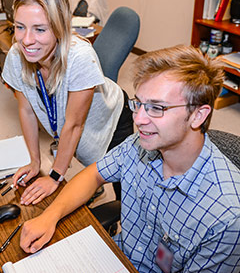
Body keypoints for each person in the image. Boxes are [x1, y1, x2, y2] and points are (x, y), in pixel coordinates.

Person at [19, 45, 240, 272]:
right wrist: (50, 216)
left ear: (197, 115)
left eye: (156, 108)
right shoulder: (141, 144)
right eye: (139, 103)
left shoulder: (226, 217)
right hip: (117, 255)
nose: (139, 119)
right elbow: (94, 174)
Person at [1, 0, 133, 206]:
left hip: (113, 118)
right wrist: (35, 162)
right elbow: (26, 110)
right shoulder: (16, 55)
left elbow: (74, 125)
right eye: (20, 26)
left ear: (59, 27)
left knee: (126, 189)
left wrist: (55, 176)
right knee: (87, 171)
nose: (27, 40)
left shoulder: (79, 57)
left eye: (40, 29)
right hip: (73, 125)